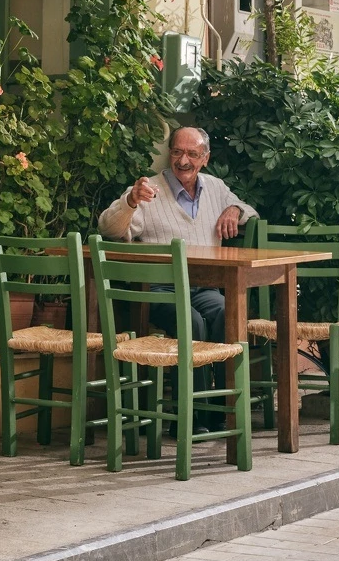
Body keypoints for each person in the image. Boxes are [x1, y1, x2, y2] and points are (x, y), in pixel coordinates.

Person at [97, 126, 257, 431]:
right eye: (177, 152)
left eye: (192, 154)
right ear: (170, 153)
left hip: (202, 287)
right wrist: (130, 201)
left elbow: (250, 210)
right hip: (159, 290)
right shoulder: (148, 190)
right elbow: (109, 228)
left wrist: (234, 210)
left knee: (229, 312)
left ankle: (220, 410)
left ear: (205, 158)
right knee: (192, 322)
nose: (183, 160)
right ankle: (190, 415)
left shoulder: (215, 187)